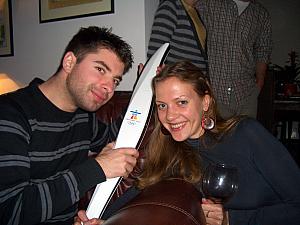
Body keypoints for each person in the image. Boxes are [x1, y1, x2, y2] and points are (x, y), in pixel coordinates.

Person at [77, 61, 300, 225]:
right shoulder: (172, 150)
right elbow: (140, 188)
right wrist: (98, 219)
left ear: (205, 102)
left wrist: (234, 219)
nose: (170, 116)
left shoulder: (246, 133)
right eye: (162, 105)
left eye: (181, 102)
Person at [0, 26, 140, 225]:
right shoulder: (10, 115)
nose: (109, 88)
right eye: (100, 70)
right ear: (69, 62)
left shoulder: (83, 116)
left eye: (115, 81)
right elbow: (10, 211)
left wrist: (146, 88)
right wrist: (96, 168)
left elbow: (118, 135)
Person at [196, 0, 272, 119]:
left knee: (245, 137)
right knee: (213, 137)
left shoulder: (261, 14)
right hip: (213, 93)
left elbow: (263, 50)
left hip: (247, 95)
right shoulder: (209, 3)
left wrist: (259, 83)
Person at [147, 0, 208, 74]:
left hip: (194, 79)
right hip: (179, 79)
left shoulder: (195, 11)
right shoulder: (170, 6)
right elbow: (155, 51)